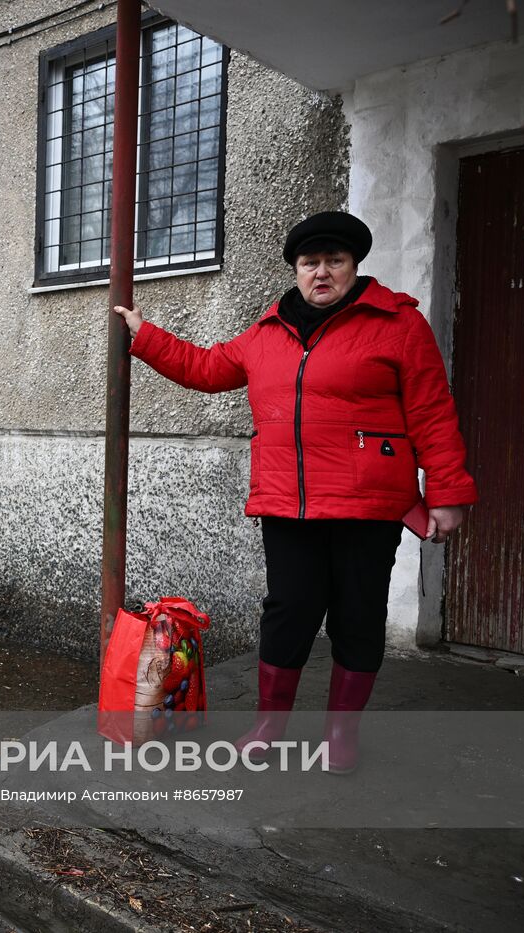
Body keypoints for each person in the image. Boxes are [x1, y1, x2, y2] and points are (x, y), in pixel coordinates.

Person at [113, 210, 477, 773]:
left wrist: (447, 490)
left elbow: (432, 411)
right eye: (311, 263)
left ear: (355, 266)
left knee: (358, 615)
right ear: (296, 270)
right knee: (288, 613)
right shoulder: (267, 332)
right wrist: (147, 336)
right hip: (289, 503)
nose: (322, 273)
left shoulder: (398, 324)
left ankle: (340, 736)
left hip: (369, 505)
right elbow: (207, 368)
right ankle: (268, 724)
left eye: (335, 261)